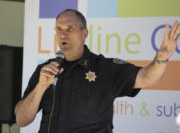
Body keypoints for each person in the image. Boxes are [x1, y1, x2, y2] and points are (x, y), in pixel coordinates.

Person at [14, 9, 180, 133]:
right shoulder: (45, 70)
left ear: (84, 33)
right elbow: (21, 119)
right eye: (59, 29)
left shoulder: (105, 68)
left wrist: (161, 58)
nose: (63, 34)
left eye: (69, 28)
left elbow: (147, 77)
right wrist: (41, 87)